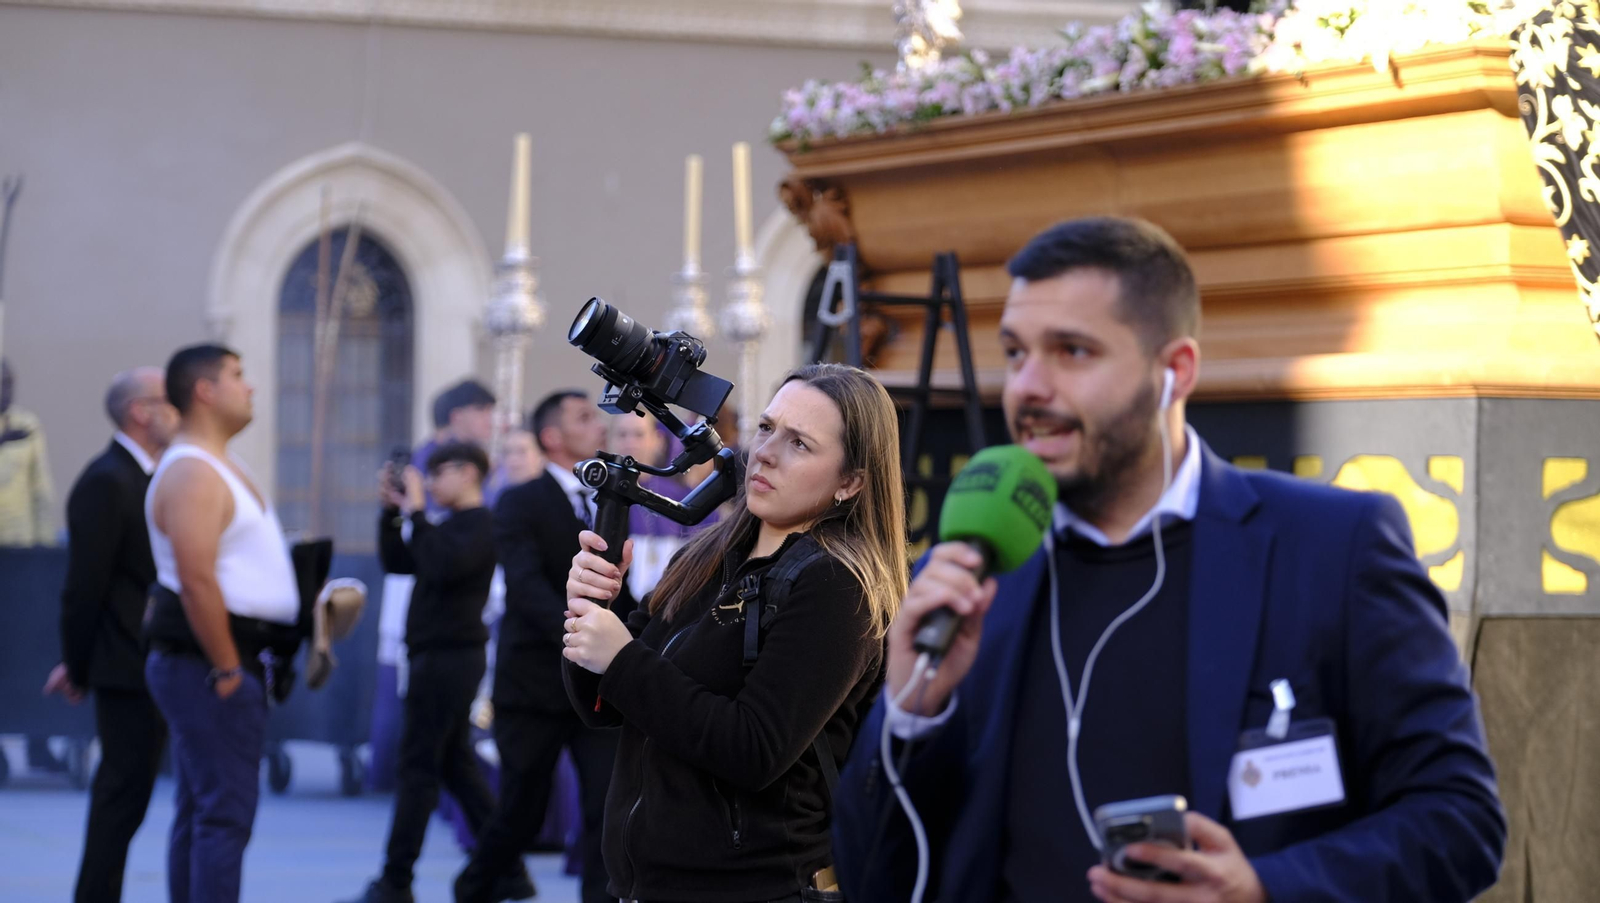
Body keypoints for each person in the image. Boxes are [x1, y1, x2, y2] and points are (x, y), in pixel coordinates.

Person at [830, 217, 1506, 903]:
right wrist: (911, 712)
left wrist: (1265, 888)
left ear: (1173, 370)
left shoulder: (1332, 547)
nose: (1028, 387)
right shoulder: (972, 579)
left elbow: (1459, 820)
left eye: (1072, 351)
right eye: (1015, 352)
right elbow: (871, 872)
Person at [562, 362, 908, 903]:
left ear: (851, 482)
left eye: (800, 444)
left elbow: (754, 750)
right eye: (767, 428)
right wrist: (593, 606)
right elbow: (601, 707)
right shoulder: (709, 554)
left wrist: (624, 658)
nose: (765, 452)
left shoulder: (838, 584)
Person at [142, 344, 301, 903]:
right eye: (237, 375)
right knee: (222, 819)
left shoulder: (216, 464)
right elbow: (196, 579)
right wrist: (228, 669)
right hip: (212, 665)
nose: (250, 386)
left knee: (205, 811)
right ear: (204, 391)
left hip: (222, 662)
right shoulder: (192, 471)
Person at [345, 442, 532, 903]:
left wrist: (416, 512)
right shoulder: (446, 526)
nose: (428, 483)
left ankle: (396, 880)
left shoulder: (483, 525)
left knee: (418, 769)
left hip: (450, 659)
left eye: (437, 473)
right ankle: (507, 869)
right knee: (455, 766)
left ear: (469, 473)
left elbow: (441, 564)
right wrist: (393, 515)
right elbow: (400, 562)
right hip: (436, 658)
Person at [454, 389, 623, 903]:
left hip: (596, 685)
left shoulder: (607, 500)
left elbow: (616, 582)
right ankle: (475, 886)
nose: (598, 425)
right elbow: (526, 587)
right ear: (553, 437)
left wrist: (633, 637)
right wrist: (582, 636)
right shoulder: (519, 501)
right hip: (533, 684)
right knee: (521, 810)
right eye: (583, 418)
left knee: (605, 806)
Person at [43, 366, 178, 902]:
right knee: (120, 798)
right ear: (139, 412)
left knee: (129, 798)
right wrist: (79, 667)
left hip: (142, 662)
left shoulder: (146, 476)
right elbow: (83, 590)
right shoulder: (107, 480)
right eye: (169, 400)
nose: (181, 408)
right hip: (125, 666)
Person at [0, 358, 55, 546]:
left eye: (8, 383)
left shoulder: (26, 424)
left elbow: (40, 485)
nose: (5, 390)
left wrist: (45, 541)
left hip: (19, 538)